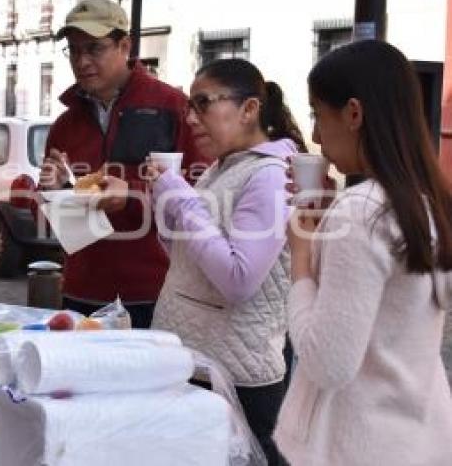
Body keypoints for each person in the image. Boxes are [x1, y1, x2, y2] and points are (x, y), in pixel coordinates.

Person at [273, 40, 452, 466]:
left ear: (353, 113)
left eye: (318, 113)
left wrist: (301, 259)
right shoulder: (426, 202)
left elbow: (325, 363)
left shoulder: (362, 211)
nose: (314, 134)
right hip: (418, 435)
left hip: (356, 447)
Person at [147, 58, 306, 464]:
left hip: (237, 377)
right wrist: (167, 207)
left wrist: (181, 199)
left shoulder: (270, 175)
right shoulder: (222, 168)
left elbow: (237, 279)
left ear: (249, 108)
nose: (192, 118)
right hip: (200, 360)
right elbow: (191, 263)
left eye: (202, 104)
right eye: (190, 105)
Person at [39, 0, 208, 328]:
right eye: (73, 50)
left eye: (94, 48)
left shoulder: (173, 107)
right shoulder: (64, 125)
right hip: (82, 292)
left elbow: (204, 196)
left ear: (125, 46)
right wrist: (52, 191)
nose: (82, 61)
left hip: (155, 292)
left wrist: (130, 195)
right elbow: (48, 223)